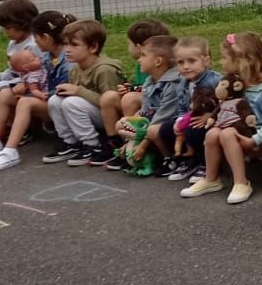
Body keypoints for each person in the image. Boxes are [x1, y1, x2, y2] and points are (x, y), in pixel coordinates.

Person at [180, 32, 262, 204]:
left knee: (227, 133)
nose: (221, 62)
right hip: (242, 134)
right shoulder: (237, 85)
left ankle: (242, 182)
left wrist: (255, 140)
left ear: (241, 61)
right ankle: (211, 178)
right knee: (213, 133)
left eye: (224, 58)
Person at [0, 9, 72, 169]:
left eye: (36, 38)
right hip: (48, 100)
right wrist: (25, 86)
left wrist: (34, 92)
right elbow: (29, 75)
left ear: (45, 37)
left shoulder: (68, 60)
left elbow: (62, 91)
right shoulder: (46, 56)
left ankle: (10, 151)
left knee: (25, 102)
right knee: (5, 94)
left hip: (59, 104)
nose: (35, 42)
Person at [46, 20, 124, 166]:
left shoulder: (105, 69)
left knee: (72, 102)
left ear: (93, 47)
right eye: (65, 44)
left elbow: (112, 102)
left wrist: (77, 91)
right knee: (54, 101)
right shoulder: (75, 68)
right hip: (90, 113)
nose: (67, 49)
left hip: (111, 119)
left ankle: (94, 145)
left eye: (74, 45)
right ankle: (71, 142)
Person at [93, 19, 170, 166]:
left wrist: (133, 91)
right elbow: (143, 85)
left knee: (130, 99)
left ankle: (132, 145)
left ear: (139, 46)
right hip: (144, 98)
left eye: (129, 43)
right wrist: (131, 87)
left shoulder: (157, 64)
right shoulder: (141, 63)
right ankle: (114, 143)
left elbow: (155, 89)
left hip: (155, 104)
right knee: (109, 97)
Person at [111, 36, 186, 175]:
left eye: (143, 55)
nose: (139, 59)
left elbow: (161, 118)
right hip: (152, 122)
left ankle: (169, 158)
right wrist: (130, 123)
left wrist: (143, 145)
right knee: (121, 124)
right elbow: (144, 113)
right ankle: (132, 152)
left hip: (172, 126)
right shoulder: (150, 81)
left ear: (158, 61)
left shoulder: (174, 84)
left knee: (153, 130)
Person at [158, 36, 222, 179]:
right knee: (165, 129)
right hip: (192, 118)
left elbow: (224, 104)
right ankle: (187, 160)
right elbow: (183, 107)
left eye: (192, 61)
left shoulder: (214, 81)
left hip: (213, 121)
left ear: (206, 61)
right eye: (180, 62)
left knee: (194, 132)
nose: (186, 66)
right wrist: (179, 121)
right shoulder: (183, 83)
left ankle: (205, 163)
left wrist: (210, 116)